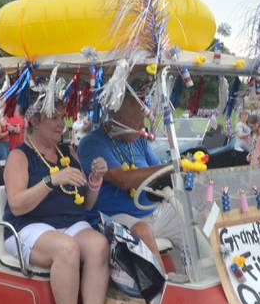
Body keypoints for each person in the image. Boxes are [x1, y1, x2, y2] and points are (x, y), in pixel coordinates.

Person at [4, 100, 121, 304]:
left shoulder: (69, 152)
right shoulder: (20, 156)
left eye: (63, 117)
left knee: (99, 245)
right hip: (27, 226)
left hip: (68, 223)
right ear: (34, 121)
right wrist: (51, 181)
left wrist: (95, 179)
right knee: (67, 248)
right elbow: (16, 204)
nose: (62, 123)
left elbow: (87, 204)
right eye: (54, 117)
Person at [78, 91, 184, 271]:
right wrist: (173, 165)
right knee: (142, 231)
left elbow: (158, 173)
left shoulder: (138, 141)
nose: (142, 126)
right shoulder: (92, 143)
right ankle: (164, 290)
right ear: (118, 119)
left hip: (151, 210)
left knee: (192, 219)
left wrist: (179, 169)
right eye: (137, 121)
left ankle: (210, 280)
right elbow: (123, 180)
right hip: (113, 217)